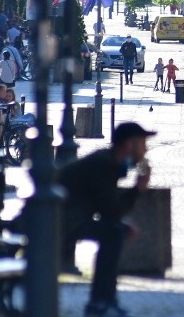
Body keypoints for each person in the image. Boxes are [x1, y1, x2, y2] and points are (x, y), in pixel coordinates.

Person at [58, 122, 155, 317]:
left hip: (64, 218)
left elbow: (107, 208)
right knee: (113, 233)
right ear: (129, 144)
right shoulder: (105, 165)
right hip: (60, 221)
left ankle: (104, 300)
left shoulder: (107, 161)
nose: (145, 150)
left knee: (114, 230)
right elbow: (110, 211)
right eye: (143, 143)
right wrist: (137, 190)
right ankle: (101, 302)